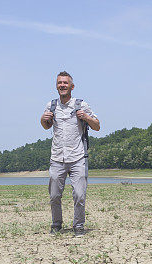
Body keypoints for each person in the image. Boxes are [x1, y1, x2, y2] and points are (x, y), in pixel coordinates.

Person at [40, 71, 100, 236]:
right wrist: (43, 118)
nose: (62, 85)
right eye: (59, 83)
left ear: (72, 86)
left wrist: (86, 117)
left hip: (78, 157)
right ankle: (56, 224)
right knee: (54, 196)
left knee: (79, 195)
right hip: (57, 158)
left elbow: (97, 126)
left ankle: (78, 226)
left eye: (65, 83)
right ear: (56, 86)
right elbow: (46, 126)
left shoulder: (81, 105)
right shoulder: (51, 105)